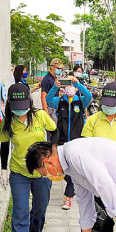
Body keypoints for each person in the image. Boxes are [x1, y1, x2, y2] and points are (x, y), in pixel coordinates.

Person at [0, 83, 57, 232]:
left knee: (40, 207)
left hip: (41, 172)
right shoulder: (8, 122)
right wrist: (3, 169)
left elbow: (54, 132)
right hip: (19, 172)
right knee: (20, 212)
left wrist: (51, 154)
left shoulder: (40, 116)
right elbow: (4, 146)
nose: (20, 111)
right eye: (16, 107)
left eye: (23, 106)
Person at [46, 74, 93, 210]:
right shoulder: (60, 101)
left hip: (77, 141)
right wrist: (55, 87)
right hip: (62, 141)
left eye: (72, 84)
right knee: (64, 169)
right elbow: (49, 99)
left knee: (73, 169)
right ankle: (75, 188)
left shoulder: (81, 101)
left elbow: (89, 96)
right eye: (69, 84)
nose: (70, 87)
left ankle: (68, 197)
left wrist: (78, 85)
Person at [82, 82, 116, 150]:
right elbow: (85, 146)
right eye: (106, 104)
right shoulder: (92, 120)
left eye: (112, 104)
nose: (109, 106)